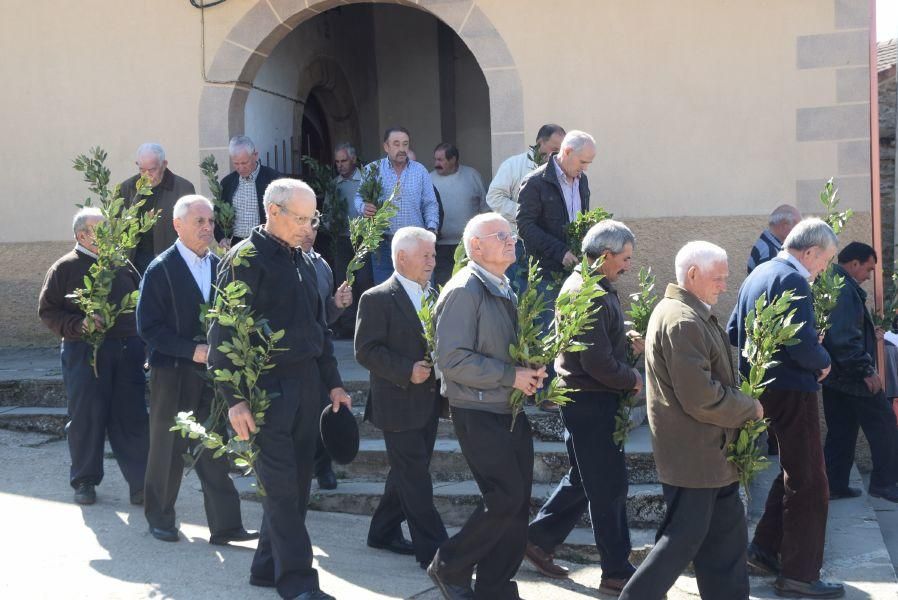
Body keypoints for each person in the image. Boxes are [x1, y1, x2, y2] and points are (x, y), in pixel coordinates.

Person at [209, 178, 352, 600]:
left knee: (298, 485)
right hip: (264, 390)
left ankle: (267, 566)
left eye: (313, 218)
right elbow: (221, 334)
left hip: (307, 387)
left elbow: (318, 330)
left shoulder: (303, 260)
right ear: (273, 212)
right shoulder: (244, 260)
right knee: (282, 489)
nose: (309, 227)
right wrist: (234, 399)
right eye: (301, 218)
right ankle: (298, 584)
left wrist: (334, 385)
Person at [619, 241, 762, 600]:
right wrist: (749, 408)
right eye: (718, 278)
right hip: (696, 457)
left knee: (726, 546)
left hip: (712, 455)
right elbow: (701, 398)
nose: (723, 285)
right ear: (693, 275)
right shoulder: (682, 320)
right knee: (680, 544)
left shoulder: (691, 313)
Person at [427, 213, 546, 600]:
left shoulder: (502, 285)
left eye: (511, 234)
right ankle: (449, 565)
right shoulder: (465, 289)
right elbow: (452, 359)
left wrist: (527, 369)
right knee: (505, 497)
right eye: (501, 235)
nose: (511, 240)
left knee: (517, 502)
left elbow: (497, 348)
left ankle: (496, 585)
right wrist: (510, 376)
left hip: (506, 408)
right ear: (476, 246)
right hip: (476, 409)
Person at [728, 218, 844, 599]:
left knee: (795, 470)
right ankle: (800, 574)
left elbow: (733, 332)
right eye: (824, 261)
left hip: (764, 388)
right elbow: (801, 347)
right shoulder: (792, 279)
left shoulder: (760, 272)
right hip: (792, 389)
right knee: (810, 479)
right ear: (808, 252)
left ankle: (763, 548)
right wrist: (821, 356)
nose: (823, 269)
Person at [526, 220, 642, 594]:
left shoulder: (591, 284)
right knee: (609, 486)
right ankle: (616, 571)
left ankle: (538, 540)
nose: (628, 265)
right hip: (590, 400)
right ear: (605, 256)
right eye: (624, 258)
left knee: (584, 479)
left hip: (585, 399)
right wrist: (633, 378)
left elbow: (594, 341)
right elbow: (597, 363)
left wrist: (623, 335)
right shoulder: (587, 292)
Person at [136, 194, 257, 544]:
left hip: (212, 375)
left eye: (210, 222)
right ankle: (160, 517)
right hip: (172, 373)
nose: (207, 228)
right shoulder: (161, 268)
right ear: (178, 225)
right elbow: (148, 327)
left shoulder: (219, 264)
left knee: (213, 444)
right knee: (167, 448)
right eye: (199, 222)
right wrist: (191, 350)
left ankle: (226, 526)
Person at [38, 207, 149, 506]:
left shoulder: (120, 264)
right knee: (86, 417)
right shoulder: (64, 268)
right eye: (100, 230)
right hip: (84, 351)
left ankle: (141, 484)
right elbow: (48, 311)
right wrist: (79, 325)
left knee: (132, 417)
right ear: (82, 235)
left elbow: (141, 301)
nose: (108, 235)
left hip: (127, 351)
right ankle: (85, 481)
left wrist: (143, 344)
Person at [355, 226, 448, 570]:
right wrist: (406, 369)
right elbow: (365, 351)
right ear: (402, 258)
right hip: (395, 402)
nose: (432, 261)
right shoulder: (377, 297)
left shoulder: (434, 292)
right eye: (425, 255)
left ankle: (381, 531)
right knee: (415, 478)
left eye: (433, 254)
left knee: (409, 470)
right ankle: (437, 551)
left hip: (427, 401)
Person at [516, 129, 595, 412]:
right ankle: (543, 394)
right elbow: (525, 227)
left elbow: (581, 220)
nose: (585, 169)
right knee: (546, 329)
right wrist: (559, 252)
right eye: (583, 162)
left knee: (569, 329)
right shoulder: (536, 182)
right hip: (545, 269)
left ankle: (564, 387)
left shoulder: (581, 181)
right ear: (567, 152)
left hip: (572, 270)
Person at [822, 242, 898, 502]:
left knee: (841, 430)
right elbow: (844, 338)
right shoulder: (843, 289)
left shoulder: (835, 283)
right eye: (868, 268)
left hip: (835, 377)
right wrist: (866, 369)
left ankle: (835, 484)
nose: (869, 275)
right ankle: (885, 484)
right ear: (854, 263)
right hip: (853, 376)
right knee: (885, 425)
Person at [298, 220, 354, 490]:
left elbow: (325, 318)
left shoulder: (322, 266)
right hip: (291, 354)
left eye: (315, 226)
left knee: (323, 409)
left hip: (320, 351)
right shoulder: (280, 264)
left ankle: (323, 468)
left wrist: (337, 305)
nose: (309, 232)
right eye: (303, 224)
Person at [354, 126, 440, 284]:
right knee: (386, 296)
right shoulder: (372, 170)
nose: (401, 149)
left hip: (417, 244)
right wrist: (363, 207)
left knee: (422, 292)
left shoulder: (420, 171)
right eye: (396, 144)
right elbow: (359, 197)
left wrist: (431, 230)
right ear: (386, 146)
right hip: (383, 245)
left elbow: (430, 204)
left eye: (405, 144)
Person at [486, 124, 565, 292]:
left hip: (548, 246)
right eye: (554, 149)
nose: (557, 155)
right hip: (517, 244)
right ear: (539, 143)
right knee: (518, 297)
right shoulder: (513, 165)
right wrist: (527, 215)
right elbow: (494, 197)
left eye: (561, 151)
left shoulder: (561, 172)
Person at [120, 143, 196, 275]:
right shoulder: (128, 188)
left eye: (152, 170)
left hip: (171, 261)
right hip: (136, 263)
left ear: (164, 164)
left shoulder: (183, 188)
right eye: (142, 170)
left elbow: (192, 228)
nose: (147, 175)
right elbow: (119, 226)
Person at [429, 142, 488, 287]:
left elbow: (485, 207)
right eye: (435, 159)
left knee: (469, 284)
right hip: (439, 247)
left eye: (441, 160)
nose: (436, 163)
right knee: (442, 286)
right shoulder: (428, 179)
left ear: (453, 159)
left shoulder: (472, 176)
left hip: (468, 245)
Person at [215, 135, 283, 248]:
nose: (240, 168)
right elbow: (217, 214)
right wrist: (221, 237)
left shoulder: (274, 179)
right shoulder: (227, 183)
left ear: (255, 156)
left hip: (265, 243)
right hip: (235, 244)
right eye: (236, 164)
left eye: (244, 163)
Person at [330, 142, 369, 338]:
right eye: (337, 162)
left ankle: (364, 325)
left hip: (362, 239)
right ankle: (346, 325)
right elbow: (329, 211)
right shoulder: (334, 184)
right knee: (343, 282)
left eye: (344, 161)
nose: (340, 165)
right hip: (342, 238)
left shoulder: (365, 180)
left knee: (363, 281)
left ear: (353, 159)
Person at [747, 204, 802, 273]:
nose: (800, 231)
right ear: (785, 225)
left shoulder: (767, 243)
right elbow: (769, 282)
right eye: (798, 226)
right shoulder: (770, 251)